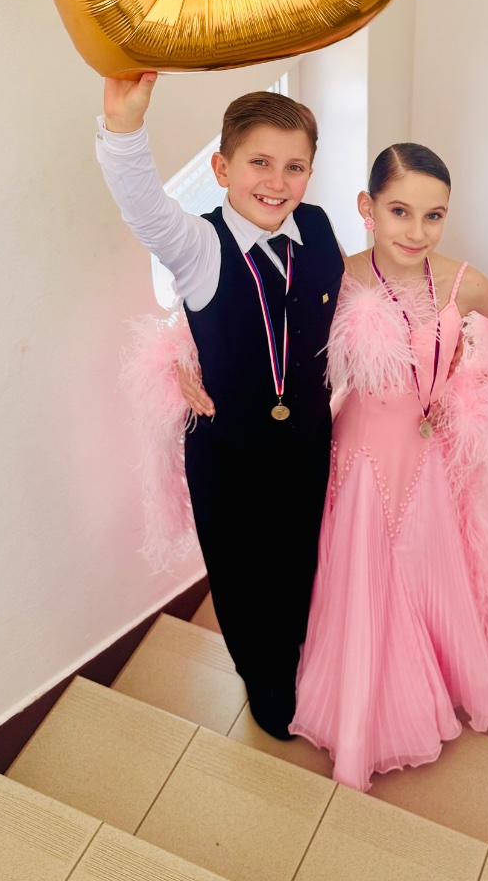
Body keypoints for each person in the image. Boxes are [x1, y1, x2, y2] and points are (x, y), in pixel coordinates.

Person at [290, 142, 488, 791]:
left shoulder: (459, 281)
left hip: (428, 454)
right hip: (361, 454)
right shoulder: (339, 277)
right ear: (368, 207)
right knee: (364, 575)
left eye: (434, 216)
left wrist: (468, 383)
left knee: (429, 565)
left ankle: (442, 671)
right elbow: (273, 339)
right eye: (400, 211)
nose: (416, 231)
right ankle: (364, 712)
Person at [98, 74, 343, 740]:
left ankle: (295, 649)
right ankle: (262, 675)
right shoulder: (200, 247)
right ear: (221, 168)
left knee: (298, 556)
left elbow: (347, 295)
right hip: (229, 453)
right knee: (241, 573)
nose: (277, 182)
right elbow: (145, 209)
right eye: (259, 162)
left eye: (294, 167)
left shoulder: (318, 227)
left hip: (306, 441)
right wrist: (124, 128)